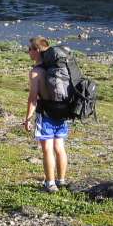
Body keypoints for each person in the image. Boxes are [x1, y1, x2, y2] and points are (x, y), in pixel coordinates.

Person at [23, 36, 69, 193]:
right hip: (62, 110)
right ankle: (61, 180)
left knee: (47, 149)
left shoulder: (36, 72)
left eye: (30, 49)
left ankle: (50, 183)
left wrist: (28, 118)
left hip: (46, 113)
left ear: (37, 50)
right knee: (60, 147)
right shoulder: (57, 69)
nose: (28, 52)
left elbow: (33, 97)